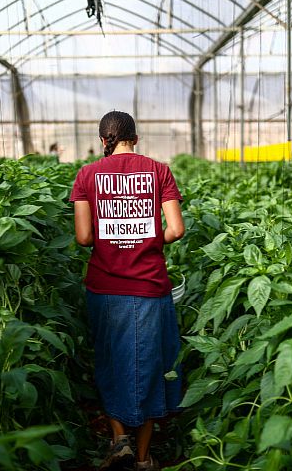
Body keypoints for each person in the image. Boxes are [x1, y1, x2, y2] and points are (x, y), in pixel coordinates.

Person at [69, 111, 185, 470]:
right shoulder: (158, 170)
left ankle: (118, 440)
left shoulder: (87, 175)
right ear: (135, 137)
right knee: (151, 363)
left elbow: (84, 237)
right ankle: (144, 455)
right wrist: (150, 241)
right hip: (149, 285)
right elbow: (177, 229)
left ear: (103, 139)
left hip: (105, 286)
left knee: (111, 360)